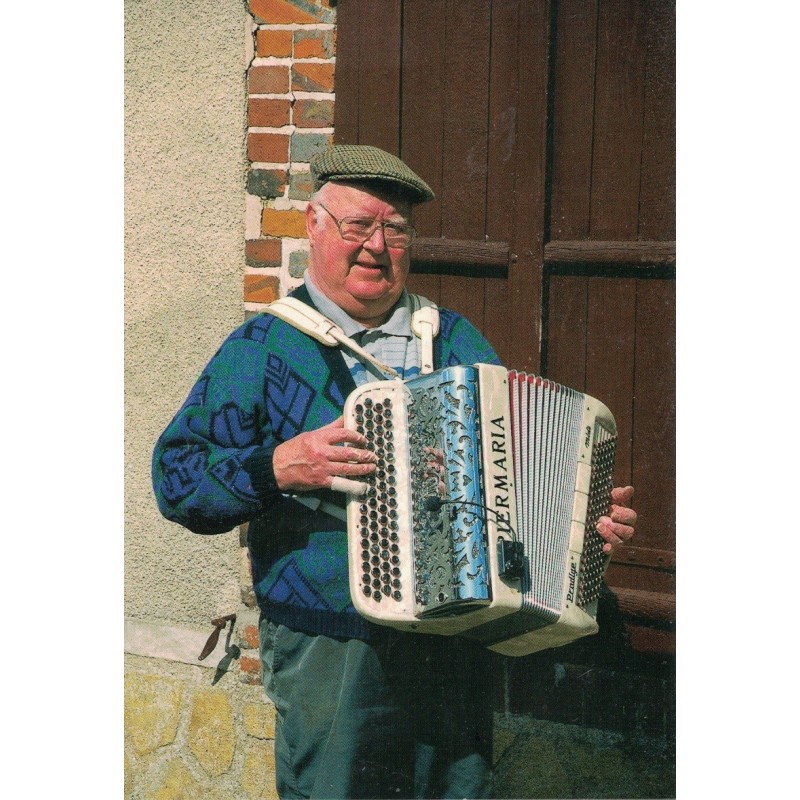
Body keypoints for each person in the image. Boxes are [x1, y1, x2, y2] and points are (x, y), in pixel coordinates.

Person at [152, 144, 637, 799]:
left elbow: (517, 479)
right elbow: (178, 481)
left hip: (455, 639)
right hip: (331, 644)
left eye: (396, 230)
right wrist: (278, 468)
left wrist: (582, 528)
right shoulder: (263, 350)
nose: (376, 246)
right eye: (357, 226)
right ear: (314, 227)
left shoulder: (456, 343)